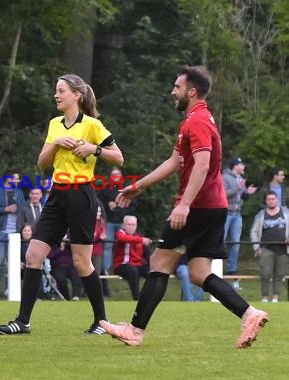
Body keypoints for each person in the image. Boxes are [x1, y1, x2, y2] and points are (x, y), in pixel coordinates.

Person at [100, 65, 269, 349]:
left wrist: (184, 205)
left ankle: (135, 330)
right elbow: (174, 162)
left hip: (199, 207)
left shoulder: (198, 122)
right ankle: (249, 313)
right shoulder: (195, 119)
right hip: (213, 206)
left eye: (177, 87)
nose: (172, 92)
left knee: (159, 262)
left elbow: (202, 165)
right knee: (199, 273)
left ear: (191, 92)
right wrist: (138, 186)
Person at [0, 73, 123, 335]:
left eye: (61, 90)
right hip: (57, 195)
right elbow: (42, 163)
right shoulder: (54, 124)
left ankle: (101, 321)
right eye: (56, 90)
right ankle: (23, 321)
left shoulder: (93, 126)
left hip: (82, 196)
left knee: (81, 263)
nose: (56, 95)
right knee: (33, 255)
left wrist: (93, 149)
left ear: (76, 94)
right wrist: (55, 144)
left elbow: (118, 158)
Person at [0, 171, 25, 299]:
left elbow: (23, 209)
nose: (17, 181)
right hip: (0, 231)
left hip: (15, 232)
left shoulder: (19, 192)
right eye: (16, 178)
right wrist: (5, 210)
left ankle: (10, 288)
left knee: (13, 262)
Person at [222, 156, 257, 286]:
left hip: (237, 215)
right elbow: (223, 195)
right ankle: (217, 266)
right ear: (235, 166)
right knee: (222, 240)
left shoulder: (241, 179)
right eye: (241, 165)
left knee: (236, 243)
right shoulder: (224, 177)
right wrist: (238, 188)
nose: (243, 167)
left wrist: (247, 192)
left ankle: (232, 269)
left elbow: (241, 197)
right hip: (226, 214)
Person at [250, 191, 289, 303]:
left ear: (277, 200)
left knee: (280, 274)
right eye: (269, 199)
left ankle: (276, 297)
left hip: (283, 249)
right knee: (265, 273)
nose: (271, 201)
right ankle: (265, 297)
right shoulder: (261, 215)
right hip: (266, 248)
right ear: (266, 201)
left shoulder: (286, 213)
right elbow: (254, 231)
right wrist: (257, 247)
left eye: (273, 199)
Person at [97, 166, 137, 276]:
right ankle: (106, 269)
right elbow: (99, 204)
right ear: (110, 176)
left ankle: (127, 266)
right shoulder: (105, 188)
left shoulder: (127, 188)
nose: (115, 177)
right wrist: (108, 205)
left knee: (126, 244)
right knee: (108, 245)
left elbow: (134, 204)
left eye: (117, 175)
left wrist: (124, 207)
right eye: (113, 175)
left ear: (121, 176)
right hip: (109, 221)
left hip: (123, 222)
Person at [112, 215, 151, 300]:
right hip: (121, 265)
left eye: (133, 225)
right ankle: (137, 298)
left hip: (137, 264)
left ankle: (145, 296)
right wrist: (141, 240)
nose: (131, 227)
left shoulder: (139, 237)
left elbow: (147, 255)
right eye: (128, 224)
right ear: (124, 225)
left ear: (136, 226)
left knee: (152, 273)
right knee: (133, 270)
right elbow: (122, 238)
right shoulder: (121, 233)